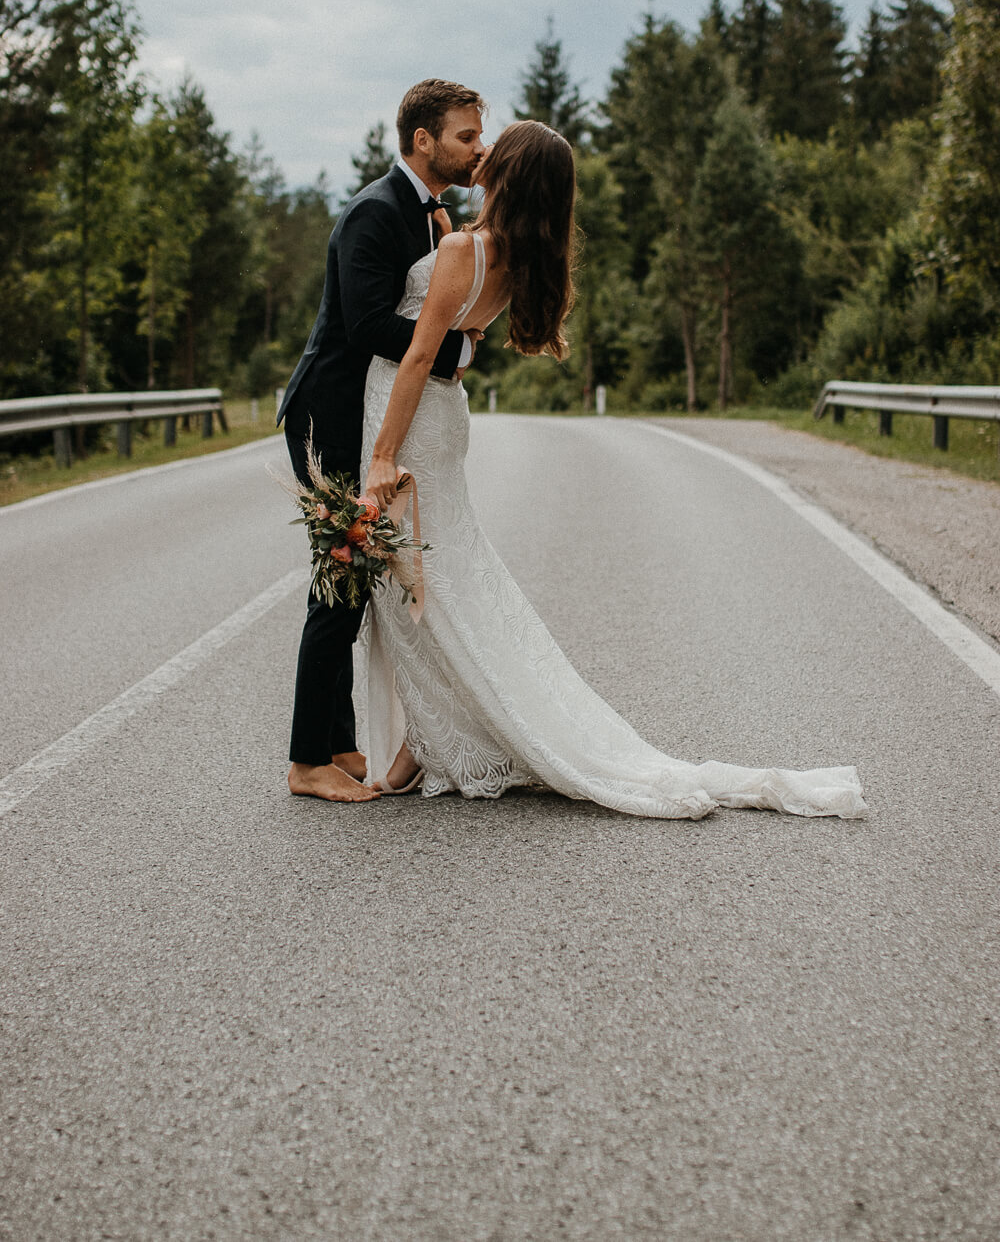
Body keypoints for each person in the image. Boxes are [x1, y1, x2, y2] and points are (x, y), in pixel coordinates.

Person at [355, 120, 867, 820]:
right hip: (447, 418)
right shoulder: (510, 259)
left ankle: (426, 738)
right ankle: (424, 738)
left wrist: (382, 456)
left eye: (491, 149)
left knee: (416, 577)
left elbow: (417, 355)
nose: (481, 153)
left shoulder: (456, 249)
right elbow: (461, 340)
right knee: (440, 573)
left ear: (507, 174)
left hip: (410, 420)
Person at [278, 79, 487, 802]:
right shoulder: (375, 212)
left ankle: (339, 743)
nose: (477, 149)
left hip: (362, 412)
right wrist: (456, 352)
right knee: (343, 573)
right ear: (422, 140)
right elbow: (368, 325)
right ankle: (308, 761)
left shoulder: (433, 215)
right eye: (466, 136)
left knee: (356, 577)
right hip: (328, 413)